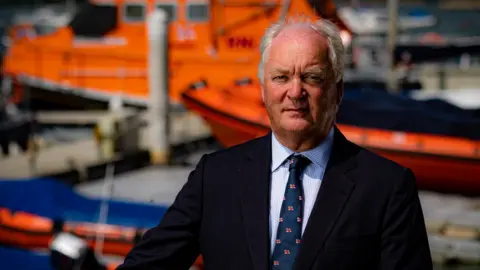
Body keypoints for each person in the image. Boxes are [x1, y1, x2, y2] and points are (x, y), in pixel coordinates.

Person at [116, 18, 433, 270]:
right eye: (281, 78)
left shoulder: (386, 188)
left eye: (311, 77)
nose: (295, 92)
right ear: (263, 90)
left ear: (338, 91)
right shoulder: (215, 177)